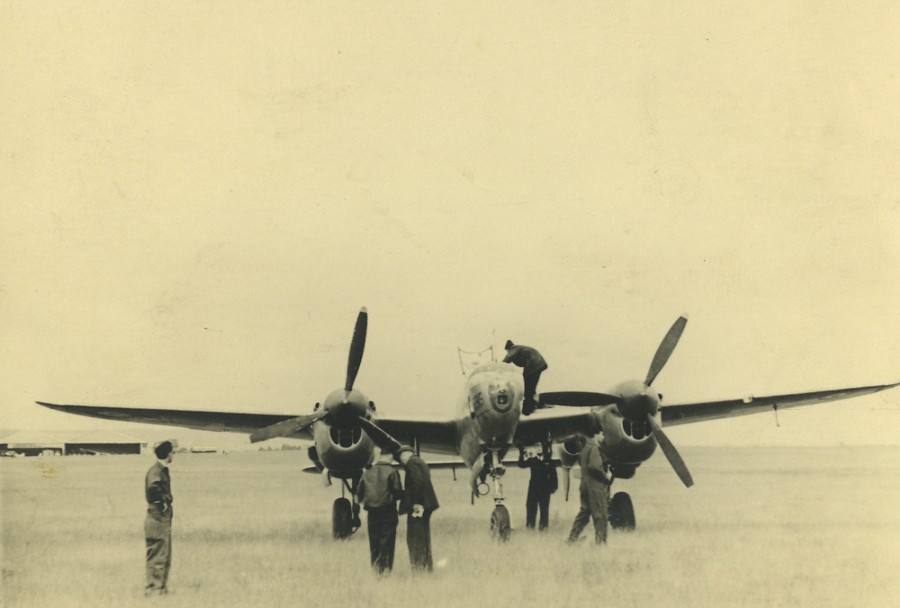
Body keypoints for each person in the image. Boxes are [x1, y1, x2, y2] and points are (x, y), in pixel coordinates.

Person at [356, 449, 403, 575]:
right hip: (388, 511)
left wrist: (365, 502)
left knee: (374, 541)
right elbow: (398, 491)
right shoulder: (392, 471)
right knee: (387, 541)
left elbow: (359, 493)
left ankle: (376, 569)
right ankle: (386, 569)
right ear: (389, 456)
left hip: (372, 513)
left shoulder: (367, 472)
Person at [396, 446, 439, 572]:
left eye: (400, 458)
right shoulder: (420, 462)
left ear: (404, 454)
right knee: (424, 536)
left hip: (418, 506)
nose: (401, 462)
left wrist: (415, 503)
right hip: (427, 504)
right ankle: (426, 566)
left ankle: (418, 567)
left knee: (415, 537)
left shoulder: (411, 463)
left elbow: (417, 482)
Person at [566, 436, 610, 544]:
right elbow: (594, 466)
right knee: (600, 514)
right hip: (595, 485)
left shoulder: (585, 449)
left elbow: (582, 463)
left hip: (584, 484)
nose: (604, 437)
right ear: (596, 436)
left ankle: (572, 538)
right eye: (602, 435)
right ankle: (601, 543)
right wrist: (605, 477)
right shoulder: (594, 448)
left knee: (584, 513)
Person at [144, 440, 174, 596]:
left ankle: (160, 588)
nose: (173, 455)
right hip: (157, 516)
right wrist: (163, 502)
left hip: (161, 516)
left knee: (164, 554)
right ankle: (153, 590)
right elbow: (153, 487)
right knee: (158, 554)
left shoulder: (160, 470)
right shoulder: (157, 471)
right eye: (172, 452)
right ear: (169, 454)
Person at [503, 340, 548, 415]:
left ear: (508, 348)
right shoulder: (521, 348)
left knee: (527, 385)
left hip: (534, 365)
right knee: (530, 385)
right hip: (539, 364)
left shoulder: (513, 349)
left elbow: (508, 358)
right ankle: (534, 403)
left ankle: (529, 407)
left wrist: (499, 366)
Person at [518, 447, 558, 531]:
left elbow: (554, 475)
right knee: (531, 507)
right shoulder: (533, 460)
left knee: (544, 509)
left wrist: (553, 487)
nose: (538, 449)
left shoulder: (549, 462)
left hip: (545, 488)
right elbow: (521, 464)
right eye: (537, 447)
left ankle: (543, 528)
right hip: (533, 488)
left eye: (540, 447)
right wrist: (521, 453)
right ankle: (530, 527)